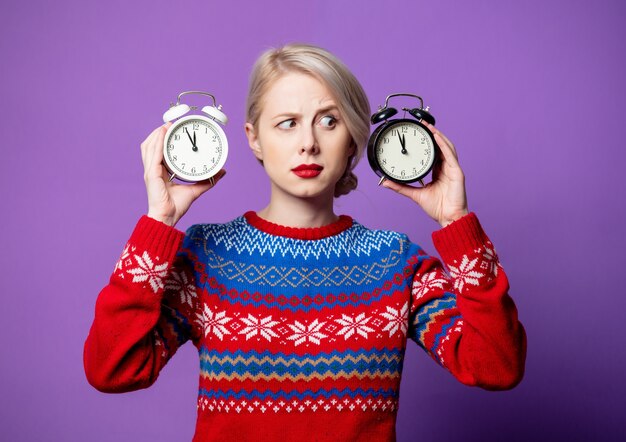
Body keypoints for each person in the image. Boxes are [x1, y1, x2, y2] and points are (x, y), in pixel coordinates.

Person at [84, 43, 526, 442]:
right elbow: (114, 370)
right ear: (254, 138)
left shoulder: (395, 263)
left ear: (353, 137)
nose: (308, 144)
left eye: (328, 121)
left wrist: (457, 221)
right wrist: (158, 222)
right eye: (287, 124)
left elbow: (497, 366)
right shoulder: (206, 256)